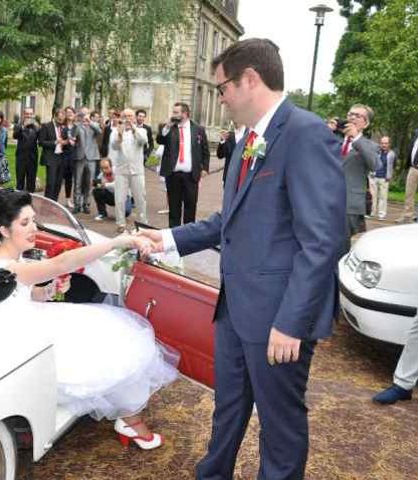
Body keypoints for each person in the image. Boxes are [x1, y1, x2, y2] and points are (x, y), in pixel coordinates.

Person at [138, 38, 346, 480]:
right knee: (227, 408)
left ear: (249, 79)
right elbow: (225, 222)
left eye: (222, 88)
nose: (221, 97)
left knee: (280, 426)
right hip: (234, 310)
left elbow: (323, 240)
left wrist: (291, 322)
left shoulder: (306, 133)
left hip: (277, 319)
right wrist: (167, 237)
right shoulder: (248, 140)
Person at [0, 188, 179, 448]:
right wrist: (120, 241)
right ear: (4, 230)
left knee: (111, 333)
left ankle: (129, 419)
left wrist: (48, 290)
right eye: (24, 223)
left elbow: (20, 294)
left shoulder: (1, 254)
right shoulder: (6, 265)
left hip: (22, 319)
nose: (33, 228)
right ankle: (131, 421)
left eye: (33, 220)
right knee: (121, 342)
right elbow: (62, 264)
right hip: (17, 337)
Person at [157, 103, 210, 228]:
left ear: (185, 114)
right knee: (174, 207)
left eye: (176, 112)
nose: (173, 114)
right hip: (173, 174)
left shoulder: (198, 129)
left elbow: (205, 151)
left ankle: (188, 234)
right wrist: (167, 127)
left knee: (190, 207)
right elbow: (160, 140)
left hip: (191, 175)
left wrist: (205, 168)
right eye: (173, 112)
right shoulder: (169, 128)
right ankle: (174, 235)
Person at [340, 104, 380, 253]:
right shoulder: (333, 140)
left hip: (350, 204)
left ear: (366, 123)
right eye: (351, 114)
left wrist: (356, 138)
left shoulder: (370, 146)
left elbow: (375, 165)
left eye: (358, 116)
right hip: (325, 200)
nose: (352, 117)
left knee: (341, 245)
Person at [110, 108, 148, 233]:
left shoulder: (141, 130)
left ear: (134, 118)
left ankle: (143, 222)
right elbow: (114, 147)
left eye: (130, 116)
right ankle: (120, 222)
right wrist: (120, 134)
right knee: (120, 198)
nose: (127, 118)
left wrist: (133, 129)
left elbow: (143, 141)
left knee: (140, 197)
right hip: (121, 170)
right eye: (124, 116)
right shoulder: (116, 131)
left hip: (137, 170)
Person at [75, 108, 102, 214]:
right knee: (78, 181)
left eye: (86, 114)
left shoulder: (94, 125)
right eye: (83, 114)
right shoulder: (77, 125)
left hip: (91, 158)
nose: (85, 116)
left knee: (89, 182)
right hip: (80, 157)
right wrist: (77, 122)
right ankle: (77, 204)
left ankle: (86, 204)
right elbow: (73, 135)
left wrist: (90, 122)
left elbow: (99, 132)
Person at [38, 109, 67, 201]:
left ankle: (55, 203)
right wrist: (54, 142)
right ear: (55, 117)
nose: (60, 122)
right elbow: (41, 142)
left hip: (61, 157)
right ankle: (47, 203)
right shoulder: (46, 126)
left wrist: (65, 142)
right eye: (59, 120)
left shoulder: (64, 127)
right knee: (51, 182)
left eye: (62, 120)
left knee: (58, 182)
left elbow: (66, 140)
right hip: (51, 157)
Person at [13, 107, 40, 192]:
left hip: (32, 157)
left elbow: (41, 139)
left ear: (33, 115)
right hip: (21, 157)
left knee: (31, 182)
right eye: (27, 114)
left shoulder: (36, 126)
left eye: (30, 114)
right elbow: (15, 136)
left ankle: (30, 200)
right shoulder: (18, 125)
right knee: (20, 181)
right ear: (23, 114)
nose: (28, 115)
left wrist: (38, 127)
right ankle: (18, 202)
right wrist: (23, 126)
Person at [395, 128, 418, 223]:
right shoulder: (416, 134)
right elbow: (411, 149)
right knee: (409, 193)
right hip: (413, 168)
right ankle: (408, 216)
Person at [370, 136, 395, 220]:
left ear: (389, 144)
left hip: (384, 178)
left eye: (386, 143)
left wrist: (389, 176)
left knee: (383, 197)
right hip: (374, 176)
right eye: (382, 143)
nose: (384, 145)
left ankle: (381, 214)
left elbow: (392, 166)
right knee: (373, 196)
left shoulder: (392, 154)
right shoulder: (376, 152)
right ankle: (372, 212)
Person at [61, 106, 78, 209]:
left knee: (69, 179)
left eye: (71, 112)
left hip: (73, 155)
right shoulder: (62, 126)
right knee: (59, 178)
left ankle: (68, 199)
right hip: (62, 155)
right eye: (67, 112)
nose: (69, 114)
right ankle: (55, 200)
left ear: (74, 114)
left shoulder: (77, 127)